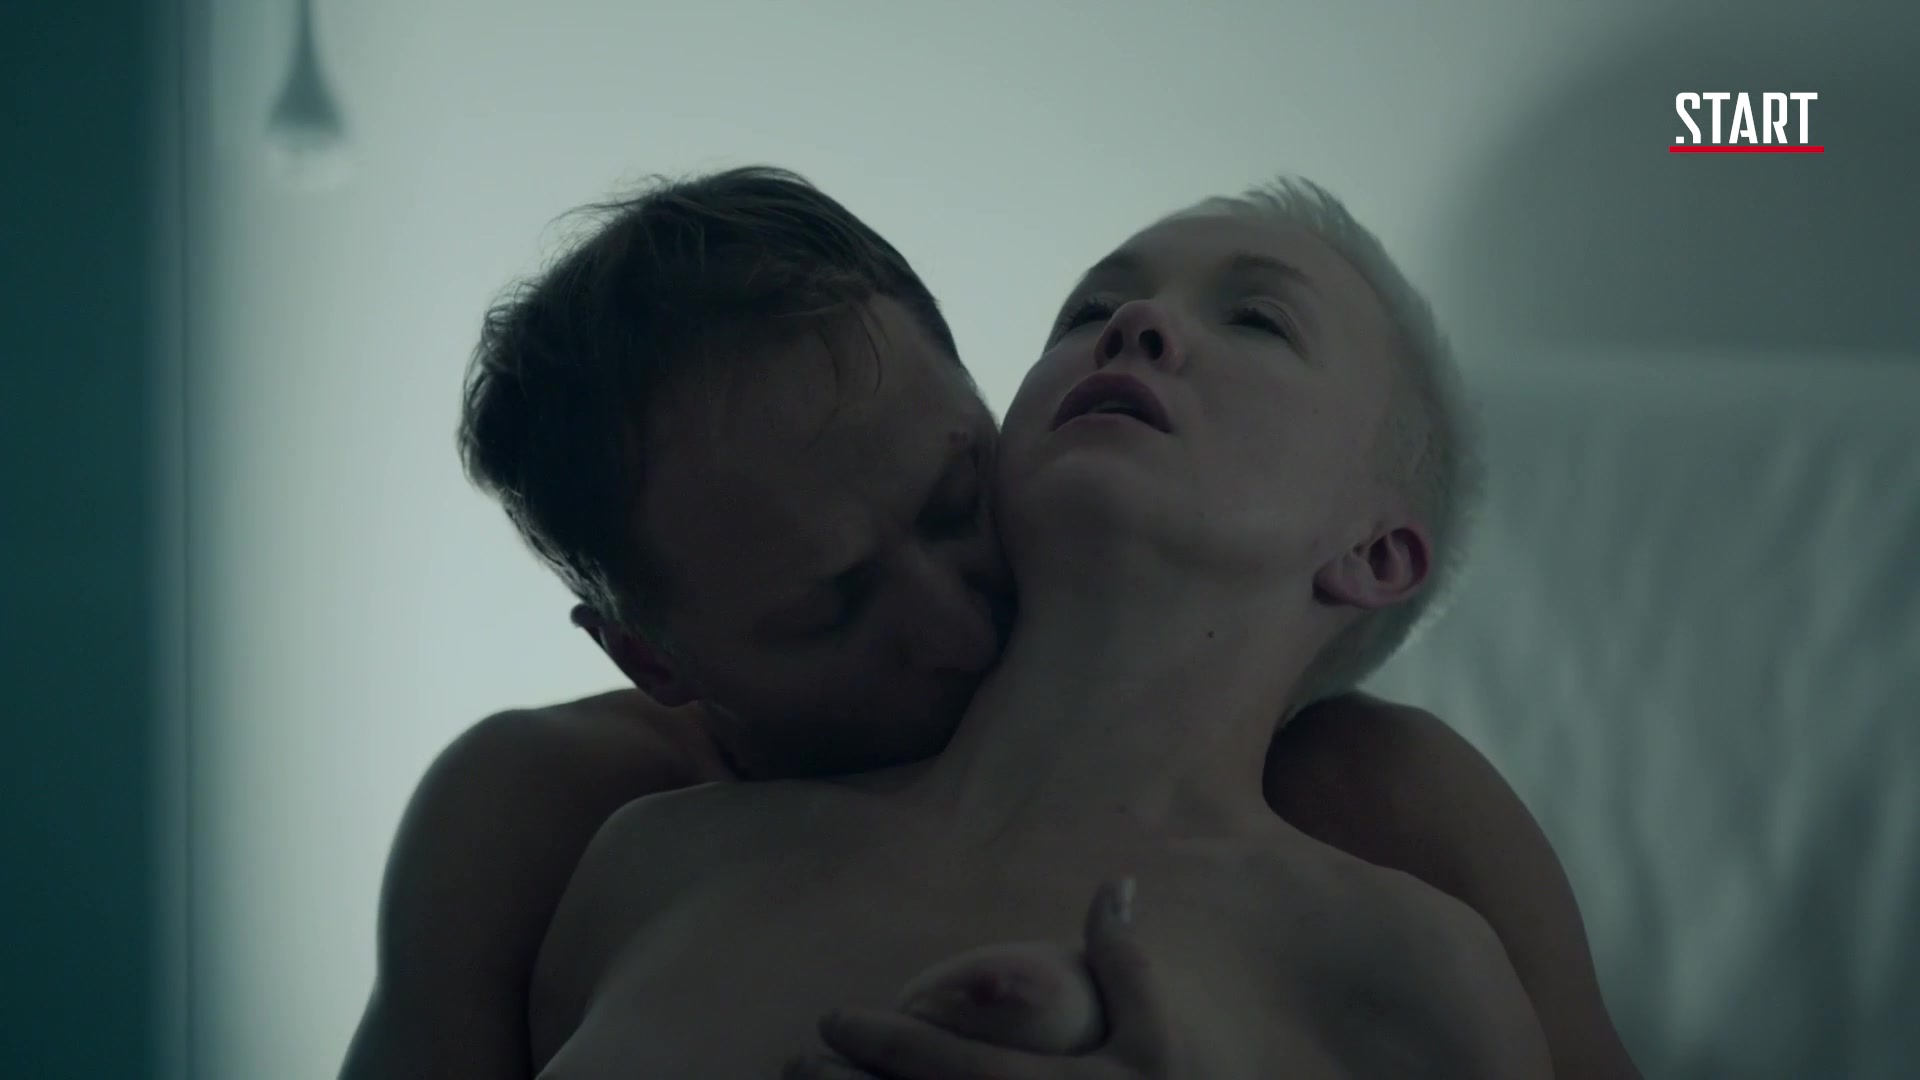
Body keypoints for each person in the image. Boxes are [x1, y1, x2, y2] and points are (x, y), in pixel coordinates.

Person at [339, 168, 1638, 1079]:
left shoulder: (1402, 878)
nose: (956, 628)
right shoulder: (620, 848)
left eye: (956, 503)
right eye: (833, 603)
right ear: (656, 660)